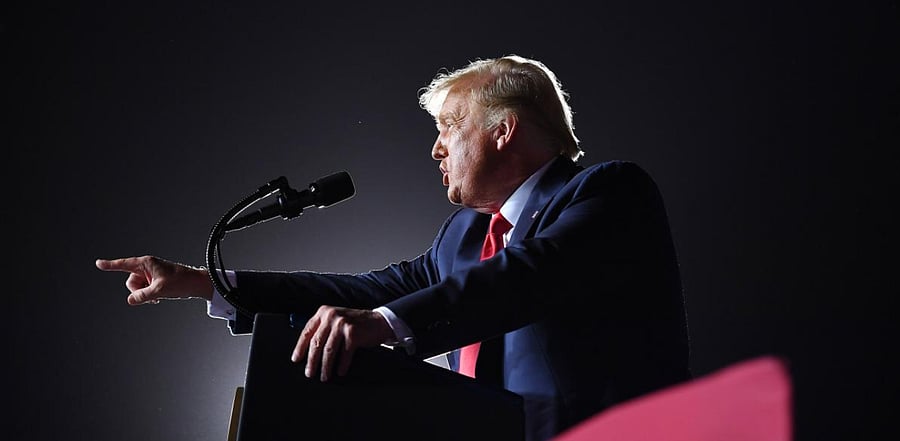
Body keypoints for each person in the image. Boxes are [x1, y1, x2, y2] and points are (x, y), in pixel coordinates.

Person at [96, 55, 691, 441]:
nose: (436, 150)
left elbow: (525, 280)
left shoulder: (610, 194)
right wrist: (207, 281)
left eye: (449, 128)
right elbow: (366, 292)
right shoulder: (461, 237)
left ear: (503, 130)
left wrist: (381, 324)